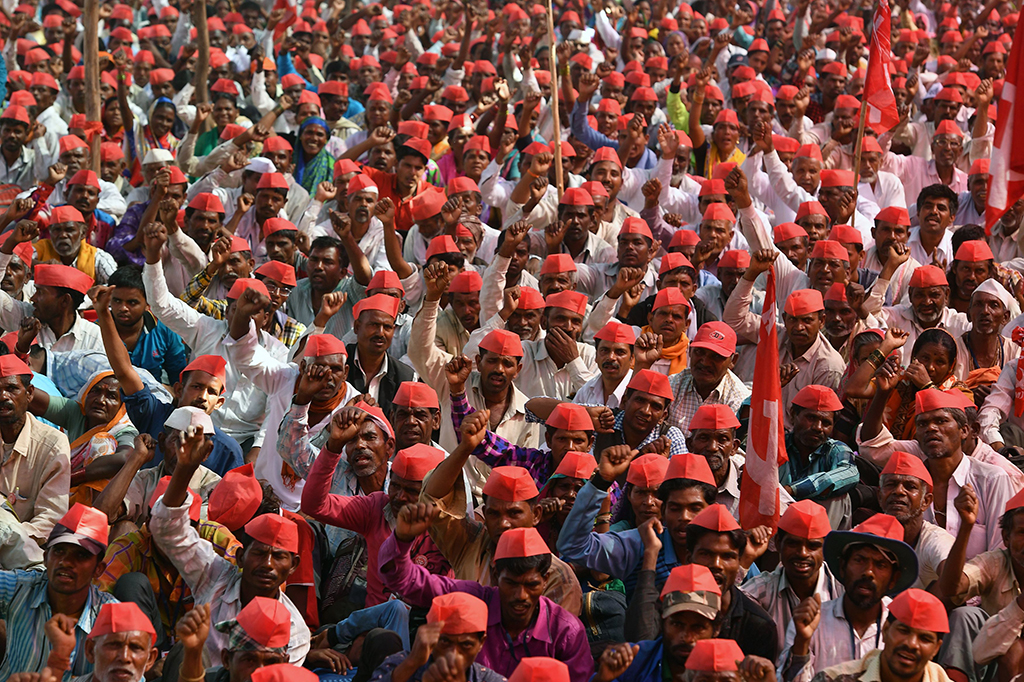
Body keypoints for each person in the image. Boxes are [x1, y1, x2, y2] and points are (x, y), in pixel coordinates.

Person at [148, 414, 311, 665]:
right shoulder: (214, 574)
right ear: (241, 555)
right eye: (258, 553)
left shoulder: (296, 632)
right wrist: (185, 469)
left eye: (278, 556)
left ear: (293, 566)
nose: (267, 564)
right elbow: (167, 530)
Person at [378, 503, 594, 681]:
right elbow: (408, 581)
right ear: (495, 573)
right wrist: (402, 539)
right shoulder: (470, 599)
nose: (521, 595)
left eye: (531, 585)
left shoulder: (566, 631)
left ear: (545, 580)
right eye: (510, 583)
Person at [779, 514, 920, 682]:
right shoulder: (811, 622)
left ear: (893, 579)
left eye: (880, 564)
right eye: (859, 560)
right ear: (843, 567)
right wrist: (802, 642)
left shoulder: (902, 628)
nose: (868, 572)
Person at [0, 503, 118, 680]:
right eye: (59, 551)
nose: (66, 562)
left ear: (98, 570)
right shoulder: (19, 587)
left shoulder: (111, 617)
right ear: (46, 558)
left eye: (81, 555)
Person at [741, 500, 841, 653]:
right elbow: (724, 614)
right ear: (779, 543)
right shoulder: (760, 591)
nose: (802, 553)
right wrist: (746, 560)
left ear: (825, 548)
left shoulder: (842, 588)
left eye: (813, 546)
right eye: (793, 544)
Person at [368, 592, 505, 682]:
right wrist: (411, 663)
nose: (453, 654)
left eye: (466, 645)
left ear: (481, 643)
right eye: (445, 642)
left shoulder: (488, 679)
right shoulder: (399, 664)